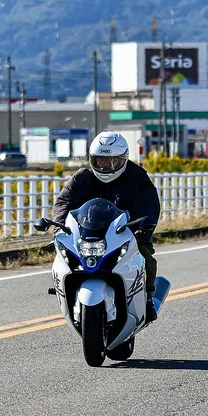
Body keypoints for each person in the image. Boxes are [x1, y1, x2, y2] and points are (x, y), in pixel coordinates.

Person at [52, 131, 161, 322]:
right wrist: (60, 228)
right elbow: (63, 202)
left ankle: (148, 297)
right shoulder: (82, 177)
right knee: (64, 258)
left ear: (123, 159)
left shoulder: (137, 177)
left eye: (111, 161)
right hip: (88, 234)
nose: (104, 166)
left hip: (127, 232)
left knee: (144, 255)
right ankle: (66, 293)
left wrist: (145, 227)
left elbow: (150, 203)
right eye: (99, 160)